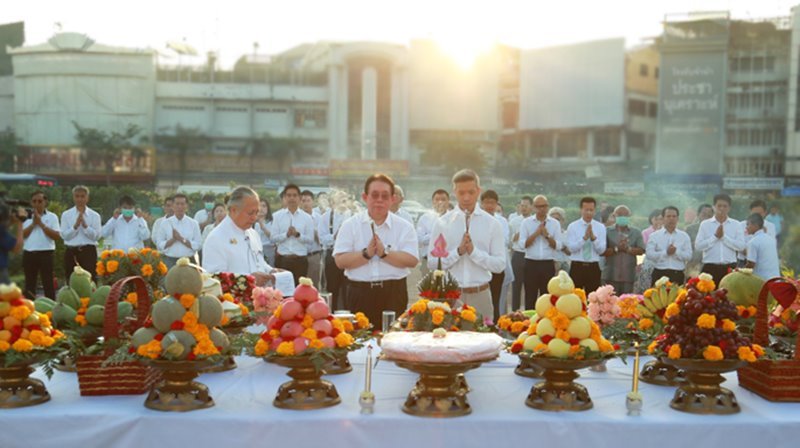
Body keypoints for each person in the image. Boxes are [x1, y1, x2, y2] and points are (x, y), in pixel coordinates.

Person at [334, 174, 418, 325]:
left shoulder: (404, 226)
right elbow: (340, 261)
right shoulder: (350, 225)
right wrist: (366, 254)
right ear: (365, 197)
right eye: (375, 195)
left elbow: (412, 260)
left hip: (393, 293)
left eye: (385, 196)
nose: (379, 200)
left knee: (392, 342)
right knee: (360, 342)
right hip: (359, 293)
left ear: (393, 199)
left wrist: (384, 253)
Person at [428, 169, 505, 320]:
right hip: (451, 296)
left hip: (481, 295)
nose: (466, 197)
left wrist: (474, 252)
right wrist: (458, 252)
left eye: (471, 192)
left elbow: (500, 265)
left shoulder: (492, 224)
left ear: (478, 191)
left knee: (484, 341)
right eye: (461, 193)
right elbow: (432, 263)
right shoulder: (442, 223)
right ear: (454, 192)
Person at [202, 186, 278, 286]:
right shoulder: (216, 238)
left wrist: (271, 271)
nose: (254, 218)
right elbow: (213, 279)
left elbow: (259, 262)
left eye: (256, 212)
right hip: (232, 300)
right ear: (233, 210)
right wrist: (249, 279)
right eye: (250, 213)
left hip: (259, 297)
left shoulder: (253, 233)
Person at [519, 195, 562, 308]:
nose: (541, 209)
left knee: (547, 298)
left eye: (544, 206)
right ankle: (529, 324)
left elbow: (558, 246)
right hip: (531, 263)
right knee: (530, 297)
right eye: (538, 206)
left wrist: (547, 235)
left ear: (547, 207)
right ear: (533, 207)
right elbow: (522, 244)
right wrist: (537, 233)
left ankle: (546, 323)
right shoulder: (526, 223)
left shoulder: (554, 223)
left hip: (547, 264)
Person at [695, 194, 745, 285]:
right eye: (719, 206)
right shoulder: (705, 224)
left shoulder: (736, 224)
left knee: (729, 297)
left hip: (729, 267)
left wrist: (724, 238)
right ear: (714, 207)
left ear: (729, 208)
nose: (722, 209)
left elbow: (741, 246)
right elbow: (698, 246)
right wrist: (715, 237)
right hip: (710, 268)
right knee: (708, 296)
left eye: (725, 206)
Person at [271, 184, 314, 285]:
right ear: (285, 198)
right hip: (282, 260)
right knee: (282, 293)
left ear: (299, 198)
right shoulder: (277, 216)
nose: (292, 198)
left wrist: (297, 235)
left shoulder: (307, 218)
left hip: (300, 261)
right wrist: (286, 235)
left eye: (294, 195)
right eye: (289, 195)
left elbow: (310, 239)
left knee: (299, 292)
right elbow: (272, 238)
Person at [21, 191, 60, 300]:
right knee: (29, 283)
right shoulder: (25, 216)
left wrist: (41, 224)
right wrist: (33, 224)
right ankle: (29, 309)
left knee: (48, 283)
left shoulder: (52, 217)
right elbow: (22, 235)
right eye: (34, 201)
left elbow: (56, 236)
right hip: (29, 254)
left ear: (45, 202)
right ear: (31, 203)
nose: (37, 203)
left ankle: (51, 309)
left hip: (46, 254)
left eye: (40, 201)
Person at [60, 185, 102, 281]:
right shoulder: (66, 215)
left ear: (87, 198)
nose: (80, 199)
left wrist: (85, 226)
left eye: (82, 196)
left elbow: (97, 236)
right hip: (71, 252)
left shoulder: (95, 215)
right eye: (77, 196)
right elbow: (64, 236)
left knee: (90, 281)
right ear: (73, 197)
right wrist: (75, 226)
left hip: (88, 252)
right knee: (71, 280)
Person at [566, 197, 607, 293]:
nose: (589, 213)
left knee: (593, 300)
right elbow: (571, 248)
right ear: (581, 210)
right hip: (577, 267)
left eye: (591, 210)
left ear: (594, 210)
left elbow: (602, 250)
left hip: (593, 267)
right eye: (586, 210)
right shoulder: (573, 226)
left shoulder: (600, 227)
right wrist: (584, 238)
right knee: (575, 298)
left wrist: (593, 238)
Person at [318, 191, 351, 310]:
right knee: (333, 289)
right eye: (339, 199)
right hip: (332, 256)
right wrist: (335, 236)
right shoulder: (326, 217)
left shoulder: (352, 216)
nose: (343, 201)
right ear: (333, 201)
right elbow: (321, 239)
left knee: (349, 291)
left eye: (345, 199)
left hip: (349, 257)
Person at [602, 205, 644, 294]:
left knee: (626, 302)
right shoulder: (607, 231)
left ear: (629, 216)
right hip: (610, 275)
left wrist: (628, 249)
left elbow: (641, 250)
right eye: (620, 215)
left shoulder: (636, 232)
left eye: (625, 215)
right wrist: (617, 249)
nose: (623, 217)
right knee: (609, 304)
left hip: (628, 276)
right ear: (614, 216)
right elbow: (602, 251)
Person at [480, 189, 509, 320]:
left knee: (495, 298)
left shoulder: (502, 221)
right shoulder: (477, 220)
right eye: (486, 202)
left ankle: (495, 324)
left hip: (496, 266)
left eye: (492, 203)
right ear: (482, 204)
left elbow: (506, 240)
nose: (489, 206)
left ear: (497, 204)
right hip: (481, 265)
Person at [646, 206, 692, 286]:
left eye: (674, 216)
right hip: (659, 273)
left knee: (677, 298)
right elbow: (649, 254)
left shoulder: (684, 236)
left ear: (677, 218)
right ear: (663, 218)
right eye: (668, 216)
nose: (671, 219)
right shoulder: (654, 236)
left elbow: (688, 256)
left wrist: (676, 252)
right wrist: (665, 253)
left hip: (677, 274)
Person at [155, 193, 202, 269]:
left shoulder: (193, 223)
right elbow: (159, 244)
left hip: (189, 261)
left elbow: (198, 245)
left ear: (186, 206)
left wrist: (181, 239)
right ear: (173, 206)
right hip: (170, 261)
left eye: (182, 204)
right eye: (177, 204)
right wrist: (173, 239)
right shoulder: (165, 223)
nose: (180, 206)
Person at [416, 189, 450, 276]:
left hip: (449, 261)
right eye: (437, 199)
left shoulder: (453, 218)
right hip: (428, 261)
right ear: (432, 202)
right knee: (429, 289)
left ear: (448, 202)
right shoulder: (424, 218)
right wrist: (437, 233)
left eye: (443, 199)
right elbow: (420, 240)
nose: (440, 202)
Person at [509, 196, 533, 311]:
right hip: (518, 255)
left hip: (530, 255)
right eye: (522, 206)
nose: (524, 208)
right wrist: (516, 236)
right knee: (516, 286)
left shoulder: (534, 221)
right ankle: (514, 311)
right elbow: (508, 240)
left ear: (531, 207)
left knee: (530, 286)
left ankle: (529, 312)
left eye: (526, 206)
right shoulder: (514, 221)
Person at [738, 199, 777, 267]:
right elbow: (740, 246)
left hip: (761, 262)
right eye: (754, 214)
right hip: (743, 261)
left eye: (759, 214)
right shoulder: (741, 225)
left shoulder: (770, 226)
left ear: (765, 213)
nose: (756, 217)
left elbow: (771, 248)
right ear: (750, 212)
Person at [744, 213, 780, 280]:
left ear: (755, 225)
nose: (746, 227)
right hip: (775, 279)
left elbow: (750, 264)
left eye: (748, 224)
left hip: (762, 281)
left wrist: (739, 272)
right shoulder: (770, 239)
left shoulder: (753, 242)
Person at [301, 190, 323, 288]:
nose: (305, 203)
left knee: (314, 286)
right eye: (303, 200)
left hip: (314, 256)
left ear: (313, 202)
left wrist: (313, 229)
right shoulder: (297, 218)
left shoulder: (319, 218)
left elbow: (321, 240)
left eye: (308, 200)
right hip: (300, 256)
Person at [685, 203, 713, 277]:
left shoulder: (715, 230)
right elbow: (685, 246)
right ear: (698, 214)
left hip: (710, 264)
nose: (706, 218)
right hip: (694, 265)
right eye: (704, 215)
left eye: (709, 216)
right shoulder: (690, 229)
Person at [548, 206, 571, 273]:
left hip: (565, 264)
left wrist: (561, 247)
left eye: (557, 219)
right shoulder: (546, 235)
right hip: (552, 263)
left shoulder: (567, 234)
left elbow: (570, 252)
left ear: (563, 220)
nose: (555, 222)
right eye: (553, 219)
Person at [255, 198, 275, 267]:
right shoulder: (253, 222)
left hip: (269, 251)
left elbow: (273, 238)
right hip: (256, 252)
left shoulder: (272, 222)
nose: (261, 208)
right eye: (259, 206)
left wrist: (263, 227)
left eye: (264, 206)